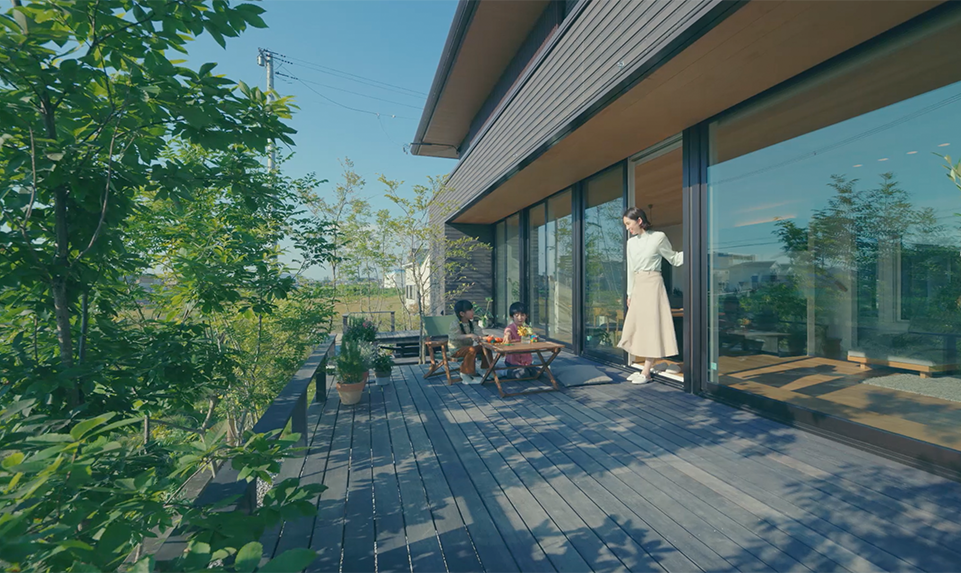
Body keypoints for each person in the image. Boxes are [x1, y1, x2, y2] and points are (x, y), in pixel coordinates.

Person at [617, 207, 683, 384]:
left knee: (652, 326)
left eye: (628, 224)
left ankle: (646, 371)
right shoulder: (631, 243)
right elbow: (631, 269)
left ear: (639, 221)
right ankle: (652, 363)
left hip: (653, 284)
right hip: (638, 286)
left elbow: (674, 259)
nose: (627, 228)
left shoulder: (658, 237)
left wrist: (696, 249)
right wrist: (630, 293)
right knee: (637, 327)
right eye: (625, 225)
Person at [448, 299, 489, 385]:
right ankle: (465, 374)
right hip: (456, 350)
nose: (472, 312)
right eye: (470, 310)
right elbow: (454, 336)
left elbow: (479, 333)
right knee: (471, 349)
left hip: (468, 348)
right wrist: (470, 335)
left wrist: (485, 338)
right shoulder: (455, 324)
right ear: (462, 314)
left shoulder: (472, 323)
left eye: (472, 310)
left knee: (486, 347)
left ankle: (486, 369)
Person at [502, 302, 537, 379]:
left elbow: (533, 337)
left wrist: (534, 337)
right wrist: (507, 334)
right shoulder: (510, 327)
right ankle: (504, 372)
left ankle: (527, 370)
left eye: (522, 315)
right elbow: (507, 331)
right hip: (513, 361)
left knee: (537, 373)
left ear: (526, 316)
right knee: (522, 374)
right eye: (517, 315)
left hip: (527, 361)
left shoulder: (528, 328)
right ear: (512, 316)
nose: (520, 318)